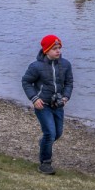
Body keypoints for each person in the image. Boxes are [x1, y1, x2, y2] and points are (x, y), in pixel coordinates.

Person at [22, 35, 73, 175]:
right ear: (46, 50)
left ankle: (44, 143)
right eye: (54, 49)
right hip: (42, 105)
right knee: (50, 133)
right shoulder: (36, 66)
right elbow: (26, 82)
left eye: (59, 48)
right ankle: (45, 163)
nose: (58, 51)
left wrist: (66, 97)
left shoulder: (66, 64)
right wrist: (34, 98)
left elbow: (69, 83)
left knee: (57, 133)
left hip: (58, 105)